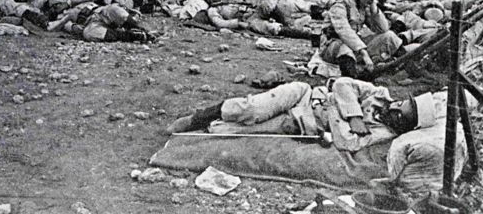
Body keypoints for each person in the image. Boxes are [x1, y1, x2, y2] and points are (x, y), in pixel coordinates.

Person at [166, 77, 437, 152]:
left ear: (404, 125)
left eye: (403, 113)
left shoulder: (383, 133)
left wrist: (335, 112)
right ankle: (199, 116)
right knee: (252, 109)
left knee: (232, 131)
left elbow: (348, 143)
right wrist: (352, 115)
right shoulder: (379, 93)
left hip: (303, 122)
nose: (397, 107)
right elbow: (343, 84)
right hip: (305, 94)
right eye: (403, 103)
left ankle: (205, 128)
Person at [320, 0, 403, 77]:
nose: (368, 0)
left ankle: (405, 67)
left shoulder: (362, 9)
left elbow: (383, 29)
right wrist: (364, 53)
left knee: (390, 36)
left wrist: (374, 9)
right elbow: (344, 32)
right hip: (332, 48)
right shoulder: (340, 6)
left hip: (355, 48)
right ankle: (353, 77)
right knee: (344, 47)